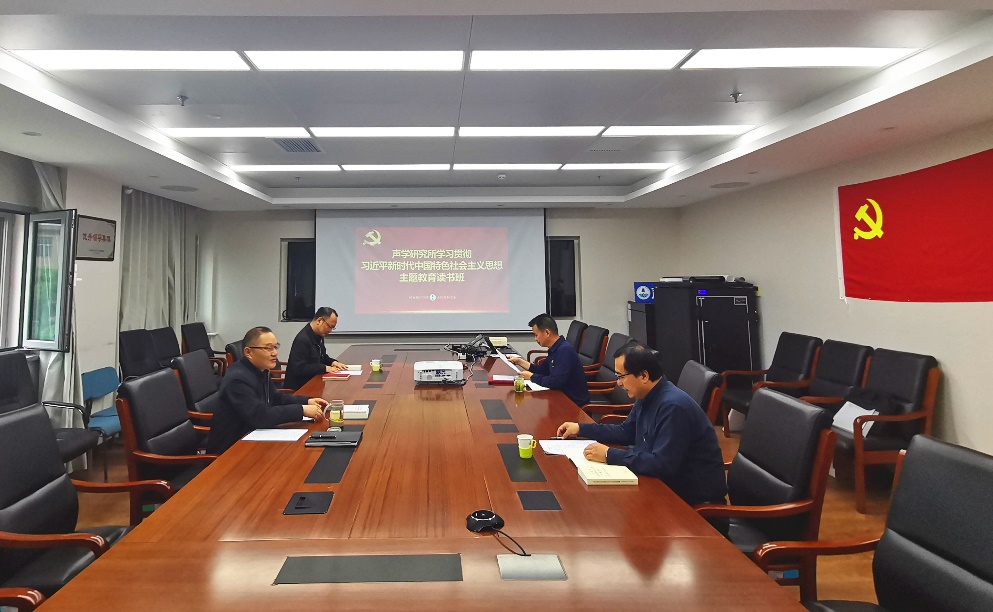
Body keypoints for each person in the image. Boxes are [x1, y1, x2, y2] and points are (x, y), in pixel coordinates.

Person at [556, 344, 727, 509]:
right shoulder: (647, 395)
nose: (618, 383)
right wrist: (581, 429)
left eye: (621, 376)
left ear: (644, 376)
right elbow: (626, 432)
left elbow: (662, 465)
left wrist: (609, 454)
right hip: (662, 487)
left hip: (690, 505)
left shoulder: (673, 407)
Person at [207, 326, 327, 454]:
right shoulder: (238, 379)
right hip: (231, 450)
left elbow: (275, 397)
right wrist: (301, 410)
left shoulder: (259, 369)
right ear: (248, 352)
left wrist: (307, 401)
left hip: (253, 439)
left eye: (275, 347)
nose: (275, 353)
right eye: (268, 348)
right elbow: (259, 416)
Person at [508, 314, 590, 407]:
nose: (535, 339)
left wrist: (531, 377)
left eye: (536, 335)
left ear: (547, 332)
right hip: (559, 397)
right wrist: (520, 362)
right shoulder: (555, 348)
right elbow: (543, 370)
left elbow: (556, 382)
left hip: (573, 404)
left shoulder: (564, 350)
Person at [284, 307, 346, 390]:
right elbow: (299, 368)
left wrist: (333, 362)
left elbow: (322, 356)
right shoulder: (302, 339)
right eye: (330, 326)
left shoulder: (318, 335)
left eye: (333, 328)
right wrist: (325, 368)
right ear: (319, 320)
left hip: (313, 382)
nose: (330, 331)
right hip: (299, 388)